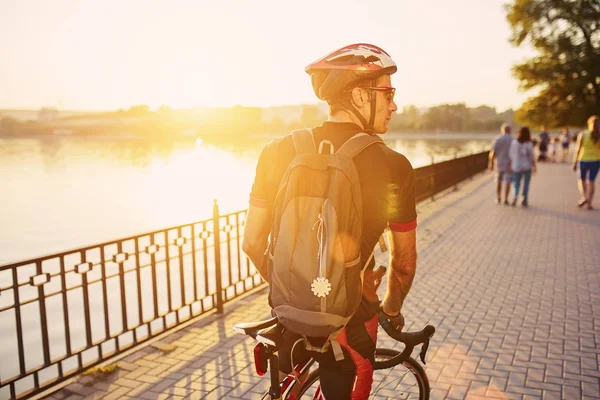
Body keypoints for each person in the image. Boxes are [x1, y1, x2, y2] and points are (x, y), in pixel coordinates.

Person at [242, 43, 417, 399]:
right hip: (352, 318)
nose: (394, 105)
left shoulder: (276, 151)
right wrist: (391, 310)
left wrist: (298, 289)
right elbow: (403, 265)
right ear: (358, 95)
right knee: (351, 378)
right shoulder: (393, 167)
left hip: (291, 313)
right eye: (388, 93)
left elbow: (251, 243)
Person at [572, 115, 600, 210]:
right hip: (596, 161)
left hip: (583, 160)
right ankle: (589, 202)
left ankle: (584, 197)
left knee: (582, 180)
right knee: (591, 182)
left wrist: (574, 161)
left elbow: (578, 149)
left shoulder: (583, 134)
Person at [509, 126, 537, 207]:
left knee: (516, 183)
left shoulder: (514, 142)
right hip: (527, 166)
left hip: (516, 166)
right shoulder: (529, 143)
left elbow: (511, 154)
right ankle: (524, 199)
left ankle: (515, 196)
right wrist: (534, 167)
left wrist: (511, 164)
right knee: (526, 184)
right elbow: (531, 156)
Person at [488, 123, 513, 205]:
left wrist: (490, 163)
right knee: (508, 181)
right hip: (509, 164)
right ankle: (506, 199)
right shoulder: (513, 139)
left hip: (499, 163)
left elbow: (492, 152)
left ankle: (498, 197)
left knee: (499, 181)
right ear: (510, 130)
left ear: (502, 130)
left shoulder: (497, 139)